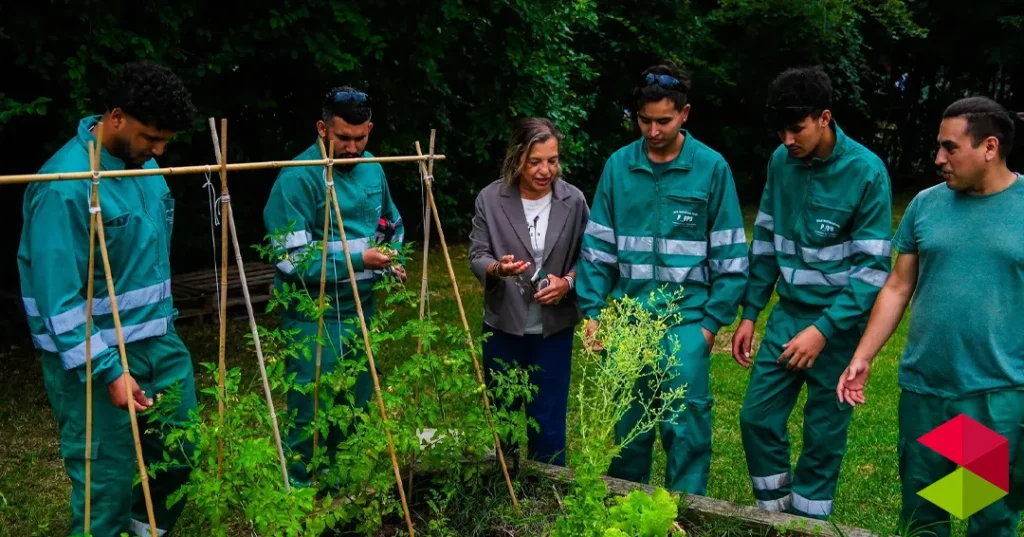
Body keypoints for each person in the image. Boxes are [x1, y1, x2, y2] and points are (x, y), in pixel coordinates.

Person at [18, 62, 197, 537]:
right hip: (92, 361)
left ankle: (142, 530)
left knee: (181, 457)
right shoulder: (64, 185)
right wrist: (109, 370)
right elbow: (58, 301)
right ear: (116, 116)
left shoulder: (147, 167)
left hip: (160, 344)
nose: (159, 151)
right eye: (150, 138)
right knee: (106, 488)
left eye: (165, 141)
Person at [837, 96, 1023, 536]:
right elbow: (898, 287)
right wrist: (864, 355)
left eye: (950, 147)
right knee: (924, 517)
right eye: (939, 146)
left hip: (993, 394)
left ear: (990, 147)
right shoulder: (926, 205)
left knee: (988, 518)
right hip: (926, 392)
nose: (939, 158)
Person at [577, 62, 748, 494]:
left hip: (686, 324)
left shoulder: (711, 168)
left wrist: (709, 327)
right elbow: (597, 250)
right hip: (627, 323)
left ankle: (686, 514)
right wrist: (592, 312)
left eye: (664, 121)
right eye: (644, 120)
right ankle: (627, 510)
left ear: (684, 114)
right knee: (626, 430)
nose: (652, 131)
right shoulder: (618, 167)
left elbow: (730, 255)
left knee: (686, 430)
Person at [733, 66, 892, 519]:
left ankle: (810, 524)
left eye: (796, 128)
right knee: (756, 417)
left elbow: (871, 271)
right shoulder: (780, 162)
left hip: (838, 327)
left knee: (823, 435)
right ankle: (774, 517)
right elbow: (765, 243)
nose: (787, 140)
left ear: (824, 118)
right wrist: (750, 313)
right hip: (787, 316)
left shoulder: (866, 171)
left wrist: (823, 331)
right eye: (780, 130)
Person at [263, 86, 406, 487]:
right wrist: (359, 261)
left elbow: (391, 225)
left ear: (370, 130)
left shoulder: (373, 168)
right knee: (311, 407)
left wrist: (393, 259)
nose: (352, 148)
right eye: (343, 138)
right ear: (322, 129)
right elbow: (289, 258)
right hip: (313, 314)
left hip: (362, 306)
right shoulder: (298, 176)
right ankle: (302, 490)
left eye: (361, 138)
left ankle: (346, 486)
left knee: (356, 403)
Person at [468, 117, 590, 467]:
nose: (545, 170)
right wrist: (498, 268)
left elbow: (590, 256)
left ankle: (548, 489)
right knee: (503, 414)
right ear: (517, 158)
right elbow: (477, 255)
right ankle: (503, 484)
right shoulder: (490, 199)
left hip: (554, 328)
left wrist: (568, 282)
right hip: (503, 325)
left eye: (552, 160)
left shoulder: (574, 201)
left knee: (548, 418)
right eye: (535, 161)